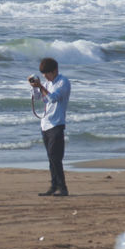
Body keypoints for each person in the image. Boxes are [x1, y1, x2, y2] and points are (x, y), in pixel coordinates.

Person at [29, 57, 71, 196]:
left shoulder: (63, 82)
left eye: (47, 73)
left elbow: (53, 98)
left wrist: (41, 87)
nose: (45, 76)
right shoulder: (47, 83)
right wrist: (35, 87)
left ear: (55, 71)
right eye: (43, 74)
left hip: (57, 124)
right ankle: (54, 186)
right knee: (51, 158)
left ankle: (62, 188)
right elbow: (39, 98)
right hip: (45, 124)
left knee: (55, 157)